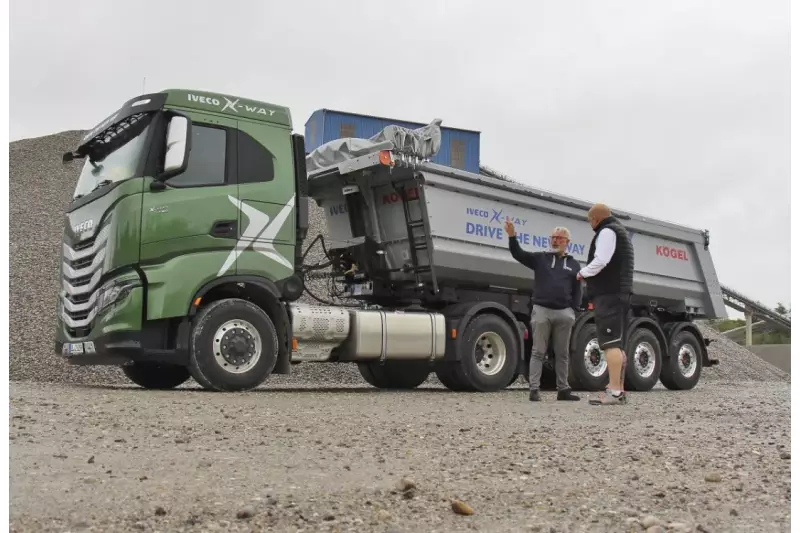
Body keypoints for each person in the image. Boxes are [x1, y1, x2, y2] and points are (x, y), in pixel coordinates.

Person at [505, 220, 582, 402]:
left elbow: (578, 289)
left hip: (564, 313)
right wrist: (512, 237)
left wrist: (573, 311)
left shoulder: (574, 265)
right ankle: (534, 389)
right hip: (542, 311)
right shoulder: (540, 259)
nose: (555, 241)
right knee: (538, 351)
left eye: (559, 238)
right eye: (553, 237)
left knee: (562, 353)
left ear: (567, 242)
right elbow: (519, 254)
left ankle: (563, 390)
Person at [576, 203, 635, 406]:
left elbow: (601, 260)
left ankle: (615, 392)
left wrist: (582, 273)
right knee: (617, 345)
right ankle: (618, 390)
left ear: (596, 218)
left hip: (610, 295)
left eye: (590, 219)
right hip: (619, 295)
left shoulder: (607, 231)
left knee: (610, 345)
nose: (590, 223)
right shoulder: (620, 232)